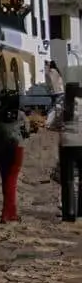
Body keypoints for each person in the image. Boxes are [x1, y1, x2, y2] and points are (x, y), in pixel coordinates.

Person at [0, 89, 30, 223]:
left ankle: (11, 211)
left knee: (6, 181)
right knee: (11, 181)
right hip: (16, 149)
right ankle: (7, 214)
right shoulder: (20, 114)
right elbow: (27, 131)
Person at [59, 82, 80, 222]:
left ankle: (69, 213)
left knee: (68, 180)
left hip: (67, 144)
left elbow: (51, 123)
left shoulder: (62, 105)